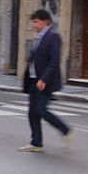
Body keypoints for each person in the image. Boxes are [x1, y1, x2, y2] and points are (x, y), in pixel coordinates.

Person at [19, 9, 74, 152]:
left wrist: (43, 79)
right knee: (32, 113)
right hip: (33, 81)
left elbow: (54, 61)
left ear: (45, 22)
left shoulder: (53, 37)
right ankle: (36, 143)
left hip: (43, 82)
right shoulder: (39, 37)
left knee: (41, 110)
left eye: (36, 22)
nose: (33, 25)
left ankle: (65, 130)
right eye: (33, 22)